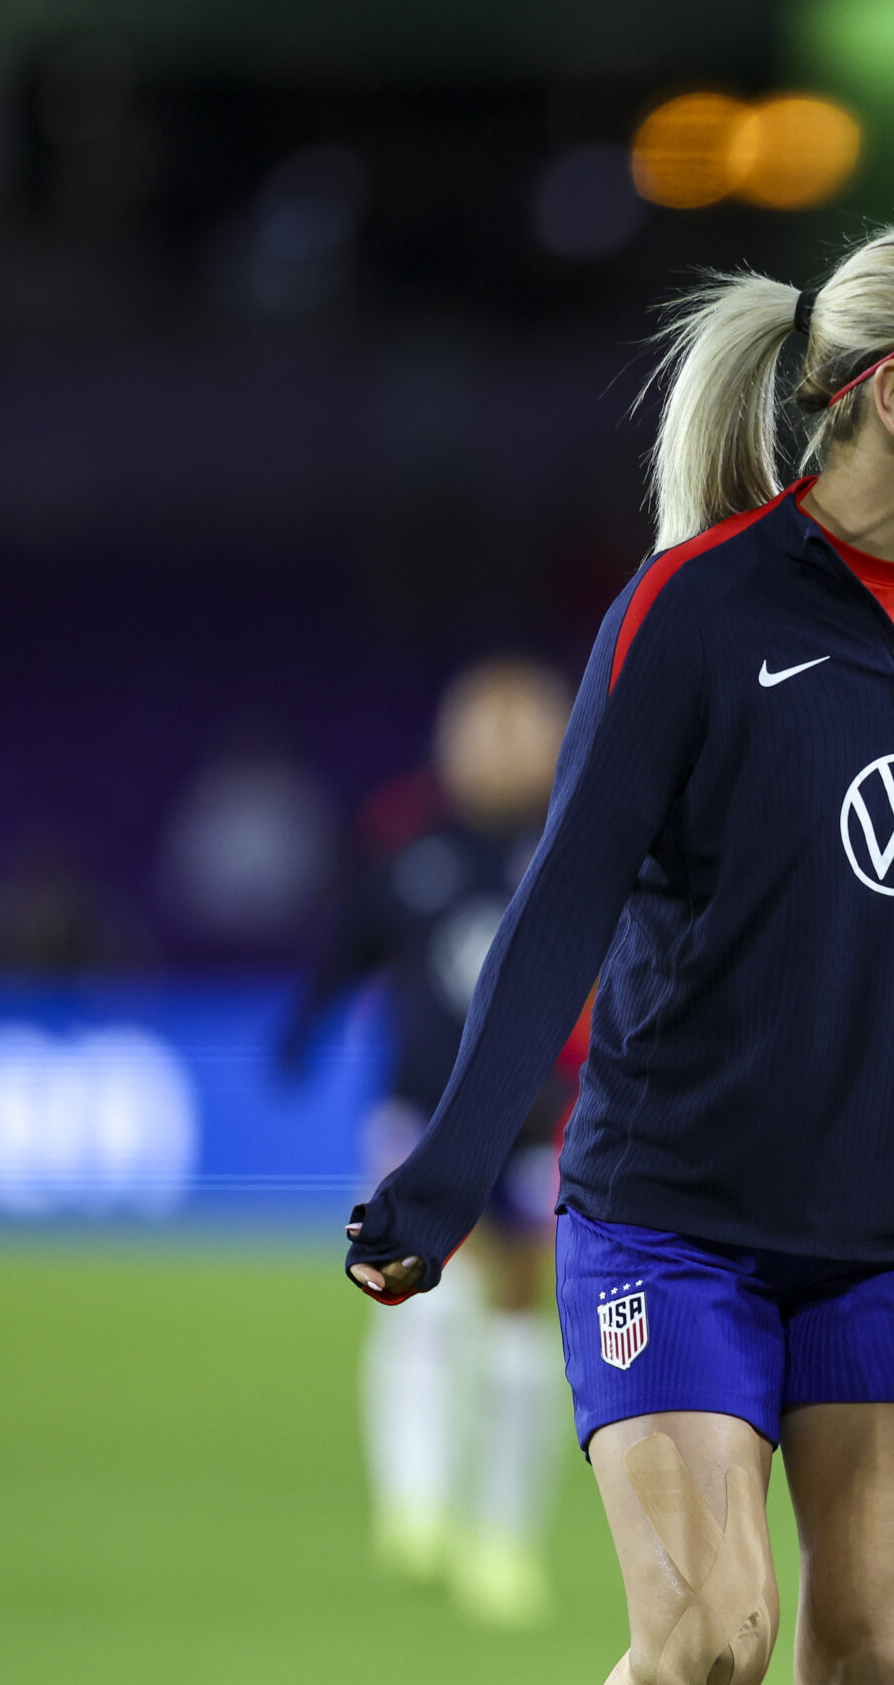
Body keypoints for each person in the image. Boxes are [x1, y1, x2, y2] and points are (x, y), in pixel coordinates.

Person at [341, 222, 894, 1685]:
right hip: (675, 1218)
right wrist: (448, 1176)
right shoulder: (690, 608)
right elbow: (563, 905)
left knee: (878, 1657)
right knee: (710, 1642)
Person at [281, 656, 578, 1625]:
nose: (500, 751)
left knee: (519, 1313)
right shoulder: (404, 842)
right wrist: (304, 1032)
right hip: (418, 1111)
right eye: (483, 731)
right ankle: (413, 1507)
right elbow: (349, 947)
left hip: (538, 1116)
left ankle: (501, 1537)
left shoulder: (576, 839)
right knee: (407, 1297)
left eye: (518, 730)